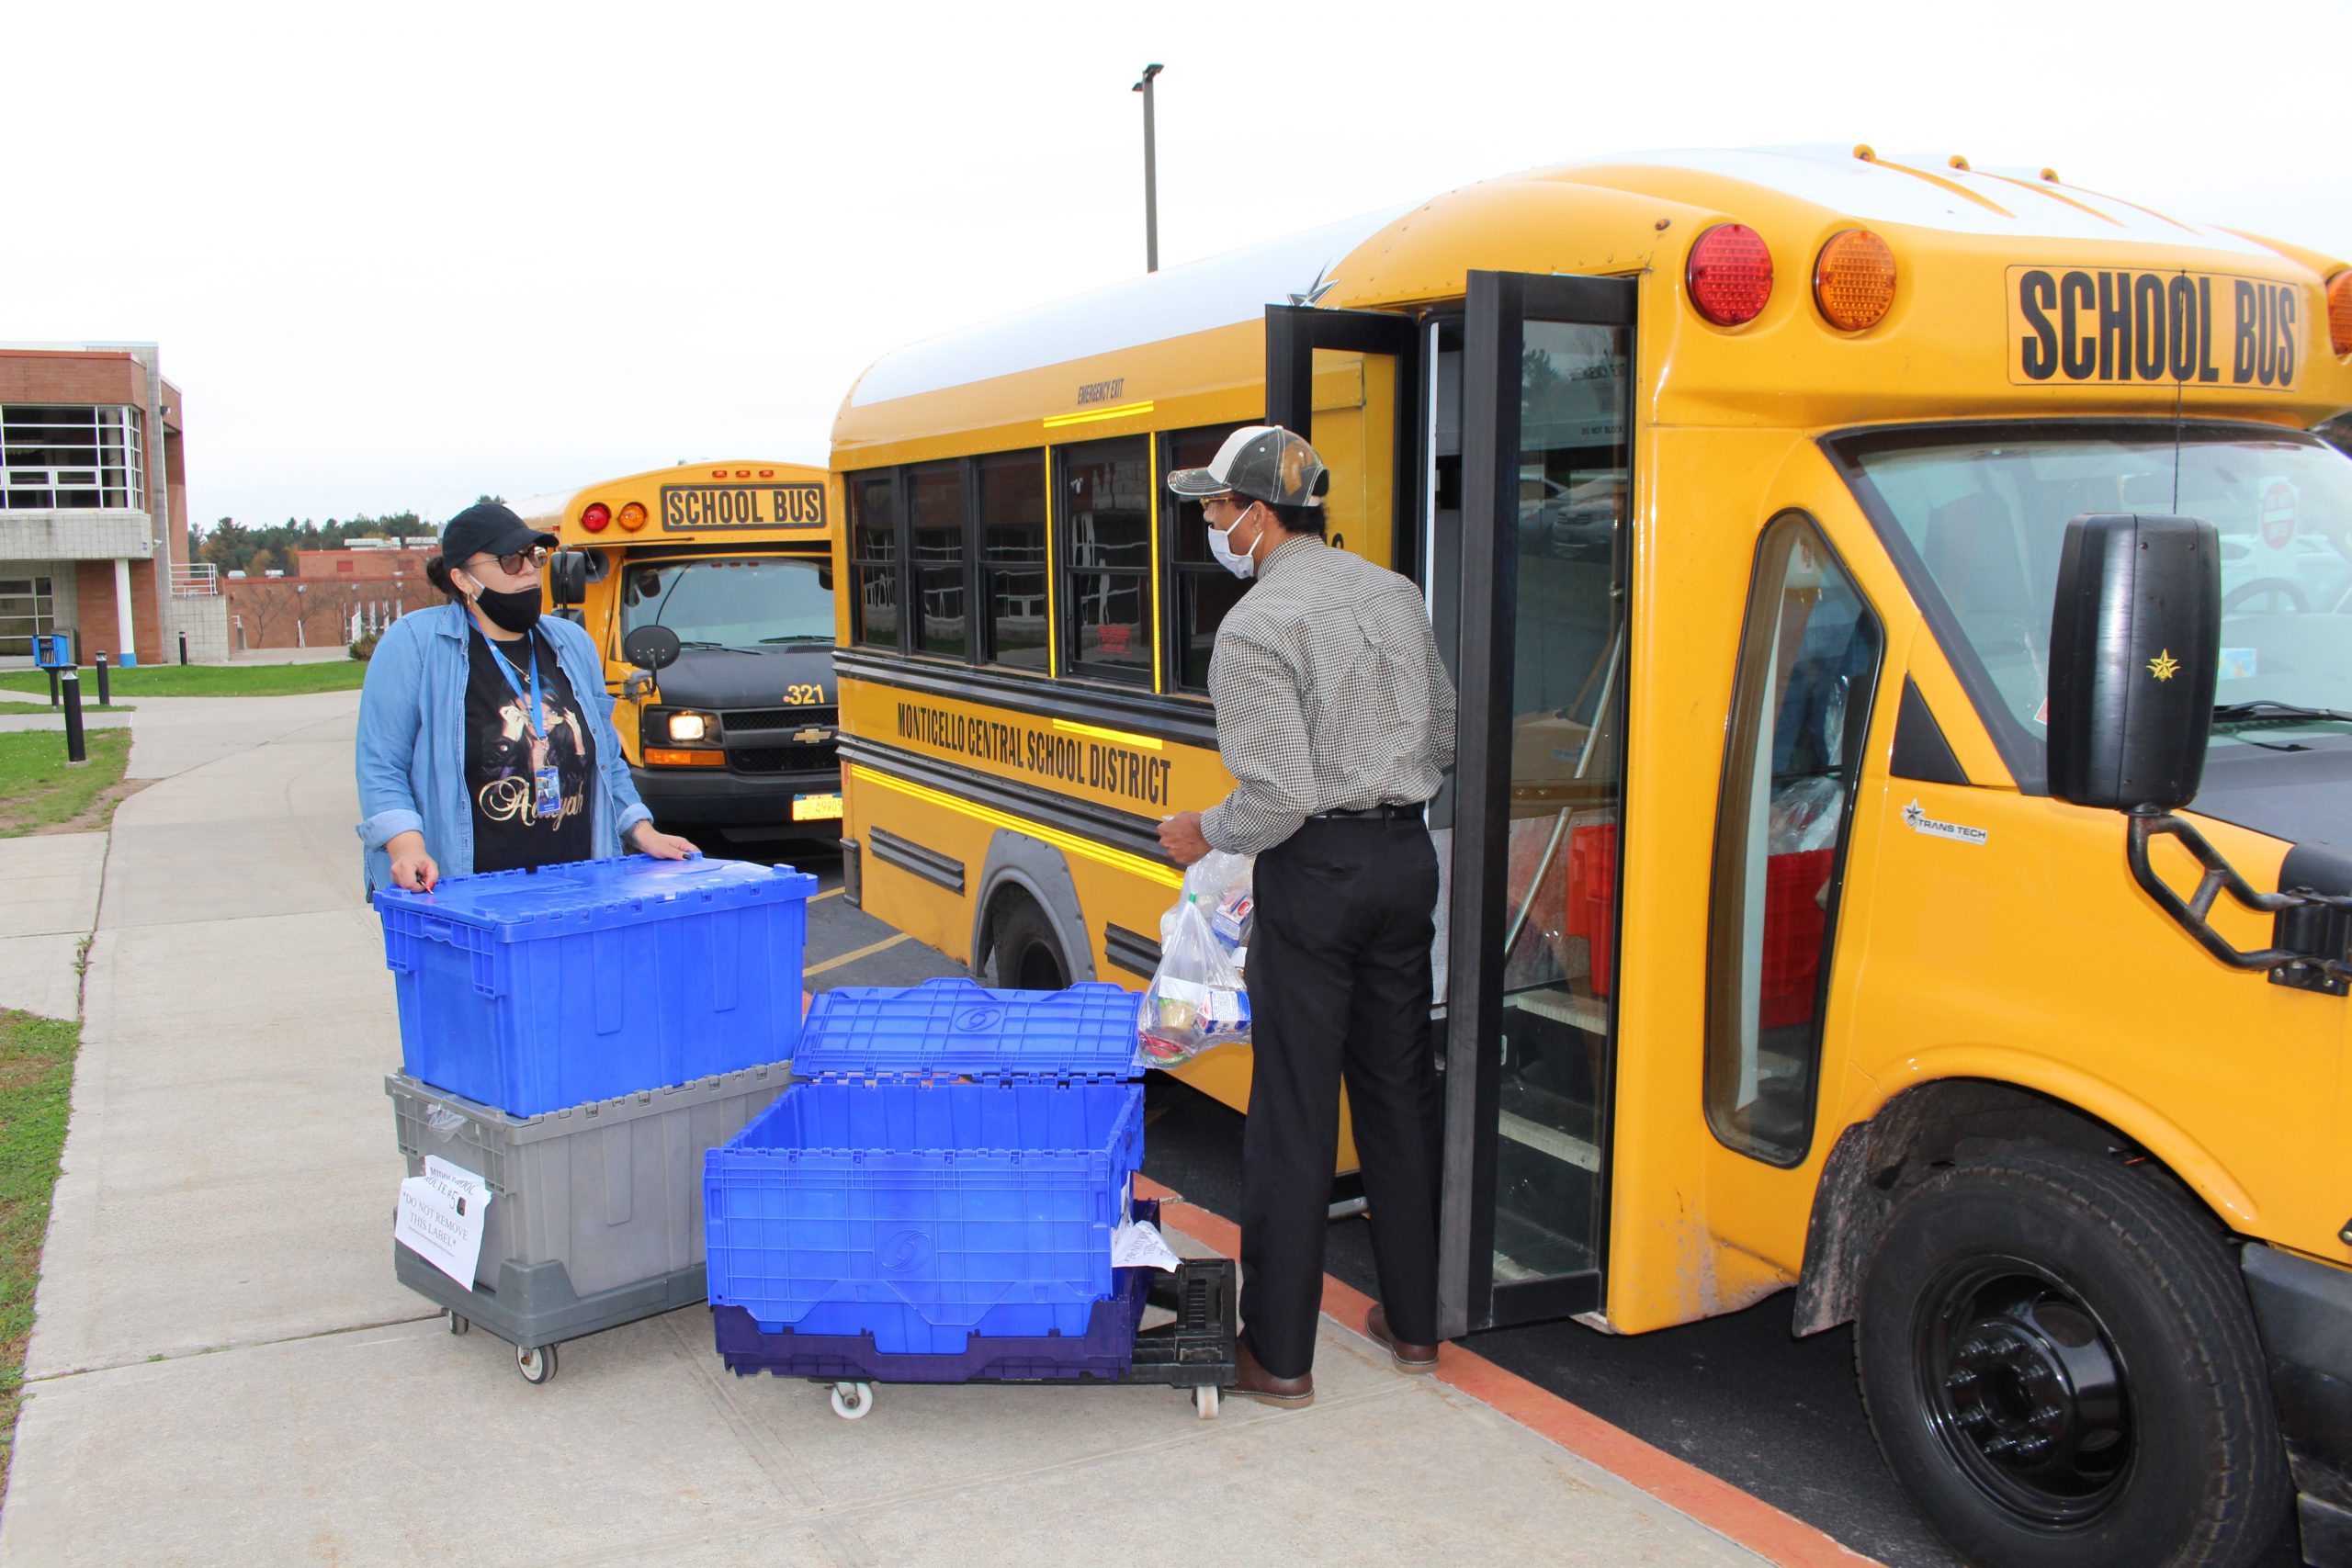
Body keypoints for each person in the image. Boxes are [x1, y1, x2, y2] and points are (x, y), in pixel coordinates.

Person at [1157, 425, 1456, 1406]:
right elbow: (1443, 731)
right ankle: (1416, 1328)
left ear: (1258, 513)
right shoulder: (1394, 591)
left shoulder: (1253, 629)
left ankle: (1279, 1357)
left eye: (1214, 508)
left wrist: (1204, 829)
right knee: (1398, 1092)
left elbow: (1277, 796)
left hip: (1316, 870)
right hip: (1407, 860)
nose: (1208, 523)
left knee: (1291, 1110)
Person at [355, 501, 697, 894]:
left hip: (578, 887)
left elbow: (607, 758)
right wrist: (407, 846)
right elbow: (381, 766)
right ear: (464, 579)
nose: (530, 571)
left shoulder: (571, 643)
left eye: (534, 557)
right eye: (510, 561)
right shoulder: (415, 643)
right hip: (468, 895)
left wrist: (641, 829)